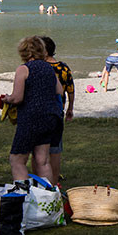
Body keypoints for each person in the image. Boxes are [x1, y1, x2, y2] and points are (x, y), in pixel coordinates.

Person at [6, 35, 62, 189]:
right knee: (42, 160)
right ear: (42, 51)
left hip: (31, 118)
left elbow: (17, 98)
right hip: (50, 118)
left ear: (23, 52)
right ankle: (47, 198)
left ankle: (24, 197)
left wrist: (7, 99)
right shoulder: (49, 69)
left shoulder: (23, 69)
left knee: (17, 160)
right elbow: (60, 90)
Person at [41, 36, 74, 182]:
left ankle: (42, 180)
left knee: (41, 149)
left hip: (41, 111)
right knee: (55, 149)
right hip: (57, 111)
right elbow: (70, 90)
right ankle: (54, 180)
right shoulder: (63, 68)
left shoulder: (38, 68)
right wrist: (70, 108)